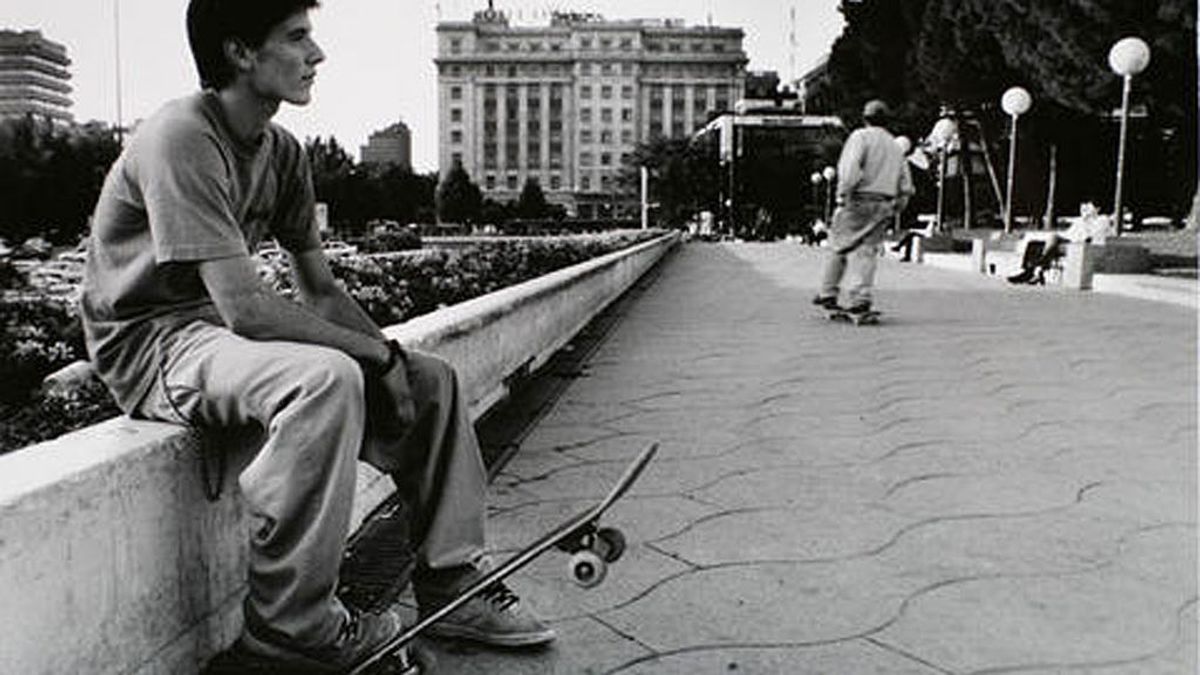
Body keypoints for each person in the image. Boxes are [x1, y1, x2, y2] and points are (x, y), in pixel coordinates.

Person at [79, 1, 553, 671]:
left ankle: (452, 576)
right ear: (241, 53)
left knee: (433, 380)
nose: (317, 54)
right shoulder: (181, 136)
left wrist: (391, 362)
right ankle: (290, 627)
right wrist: (369, 357)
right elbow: (245, 308)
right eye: (297, 37)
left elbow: (321, 291)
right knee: (323, 379)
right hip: (154, 342)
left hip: (218, 337)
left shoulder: (282, 151)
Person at [812, 99, 914, 314]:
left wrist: (843, 194)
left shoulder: (860, 137)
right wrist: (900, 203)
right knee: (867, 252)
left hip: (858, 199)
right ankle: (861, 297)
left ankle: (828, 292)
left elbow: (850, 168)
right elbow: (905, 180)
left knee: (839, 245)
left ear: (865, 118)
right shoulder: (894, 145)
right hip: (884, 203)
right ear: (887, 120)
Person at [1007, 202, 1113, 284]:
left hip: (1080, 245)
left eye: (1089, 207)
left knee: (1054, 238)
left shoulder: (1102, 220)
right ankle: (1027, 271)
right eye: (1085, 207)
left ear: (1097, 209)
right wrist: (1083, 221)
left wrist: (1086, 222)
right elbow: (1069, 232)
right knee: (1033, 244)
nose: (1086, 210)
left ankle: (1037, 267)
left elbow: (1089, 236)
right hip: (1068, 242)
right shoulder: (1081, 220)